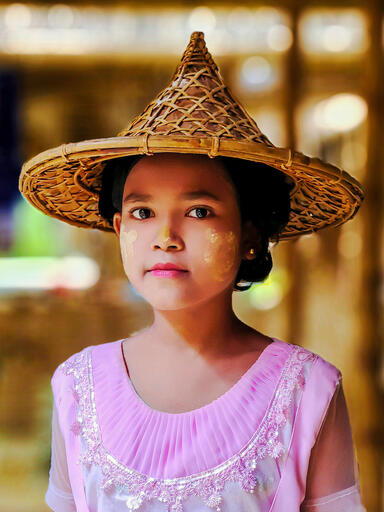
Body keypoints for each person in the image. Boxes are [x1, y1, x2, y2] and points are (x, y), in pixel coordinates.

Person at [18, 32, 366, 511]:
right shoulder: (79, 387)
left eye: (199, 211)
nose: (166, 236)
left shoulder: (306, 389)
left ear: (249, 235)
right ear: (119, 229)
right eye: (142, 214)